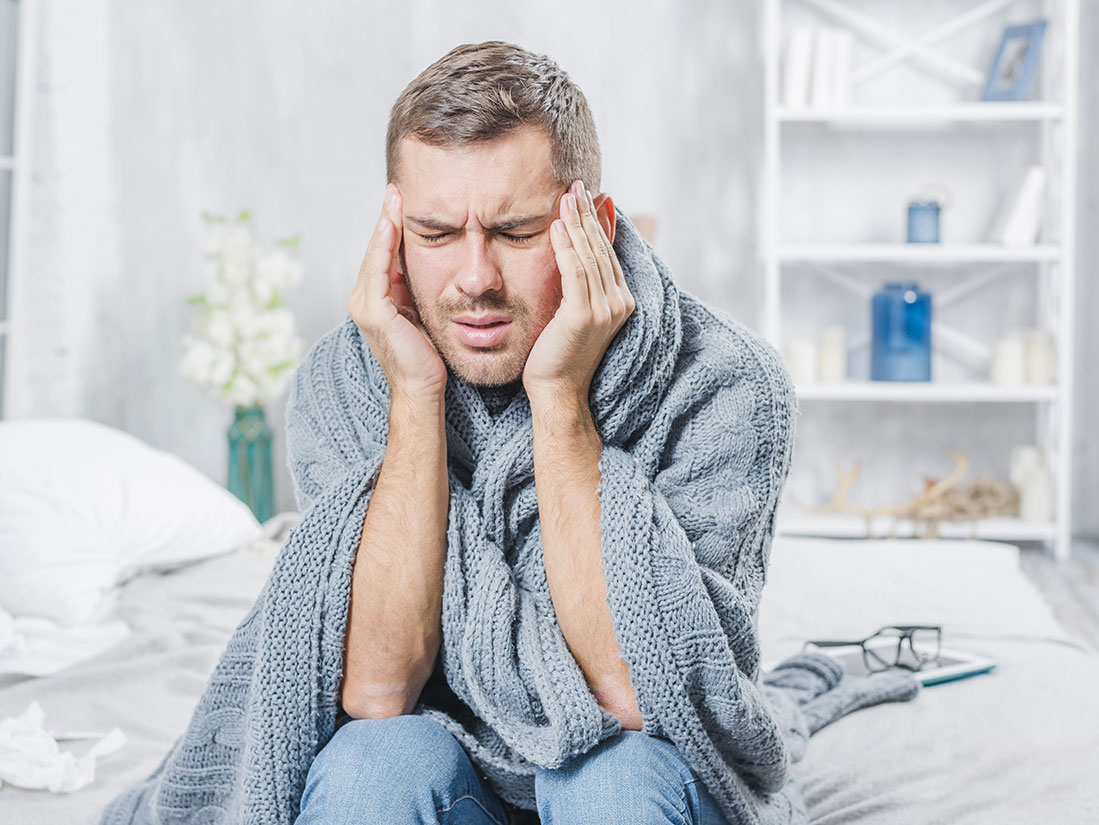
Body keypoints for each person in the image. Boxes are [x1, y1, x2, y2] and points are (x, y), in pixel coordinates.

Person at [294, 40, 735, 825]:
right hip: (444, 767)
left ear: (592, 225)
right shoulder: (344, 383)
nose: (474, 279)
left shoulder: (723, 385)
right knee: (368, 764)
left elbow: (637, 692)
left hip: (639, 763)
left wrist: (559, 399)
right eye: (434, 234)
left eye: (515, 230)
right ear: (393, 234)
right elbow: (376, 687)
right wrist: (415, 395)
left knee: (611, 778)